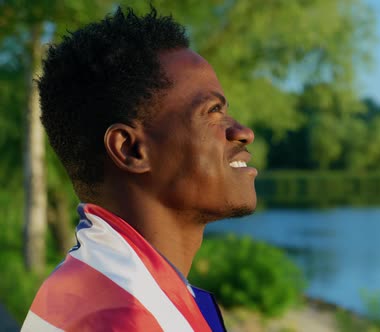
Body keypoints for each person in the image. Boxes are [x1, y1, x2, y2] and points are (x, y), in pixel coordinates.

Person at [21, 6, 257, 332]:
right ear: (131, 149)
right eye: (213, 111)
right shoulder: (127, 319)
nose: (244, 132)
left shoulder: (93, 284)